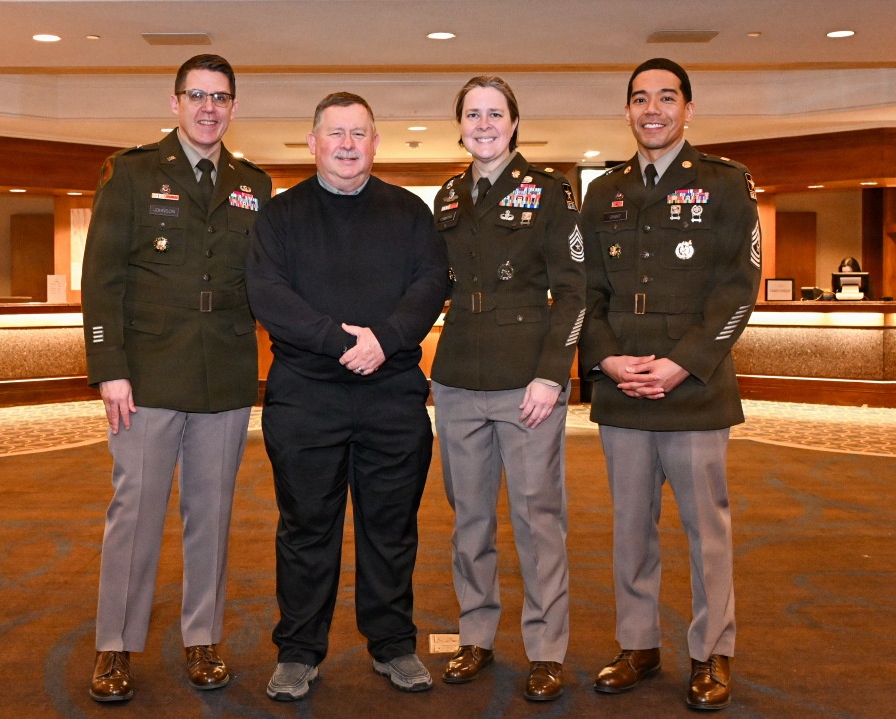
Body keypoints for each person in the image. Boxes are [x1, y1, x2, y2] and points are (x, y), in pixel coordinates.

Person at [81, 54, 272, 702]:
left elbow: (265, 278)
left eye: (220, 97)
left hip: (225, 374)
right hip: (147, 375)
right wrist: (109, 369)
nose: (208, 107)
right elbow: (102, 279)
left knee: (211, 515)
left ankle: (203, 637)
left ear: (233, 107)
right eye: (197, 95)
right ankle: (115, 643)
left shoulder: (252, 183)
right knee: (135, 513)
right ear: (175, 102)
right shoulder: (133, 173)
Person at [246, 92, 448, 702]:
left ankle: (393, 644)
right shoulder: (281, 215)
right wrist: (342, 342)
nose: (347, 144)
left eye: (359, 133)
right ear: (312, 142)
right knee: (307, 529)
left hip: (392, 395)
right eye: (335, 133)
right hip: (306, 398)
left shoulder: (409, 211)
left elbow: (430, 284)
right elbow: (268, 293)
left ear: (375, 144)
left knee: (392, 528)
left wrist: (384, 340)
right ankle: (298, 651)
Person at [578, 58, 761, 711]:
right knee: (630, 527)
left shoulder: (725, 184)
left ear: (687, 108)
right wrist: (607, 359)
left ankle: (711, 650)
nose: (651, 109)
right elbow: (585, 292)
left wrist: (682, 362)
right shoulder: (603, 192)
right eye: (639, 98)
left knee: (705, 530)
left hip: (694, 388)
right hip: (623, 388)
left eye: (665, 97)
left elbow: (738, 290)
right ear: (626, 110)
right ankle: (638, 645)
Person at [431, 76, 586, 702]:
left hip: (527, 383)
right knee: (469, 518)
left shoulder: (548, 191)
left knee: (536, 519)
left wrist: (553, 374)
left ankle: (546, 650)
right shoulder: (448, 195)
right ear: (460, 126)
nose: (484, 124)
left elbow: (574, 292)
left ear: (515, 123)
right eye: (473, 114)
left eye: (495, 113)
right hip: (457, 378)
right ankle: (476, 635)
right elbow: (432, 283)